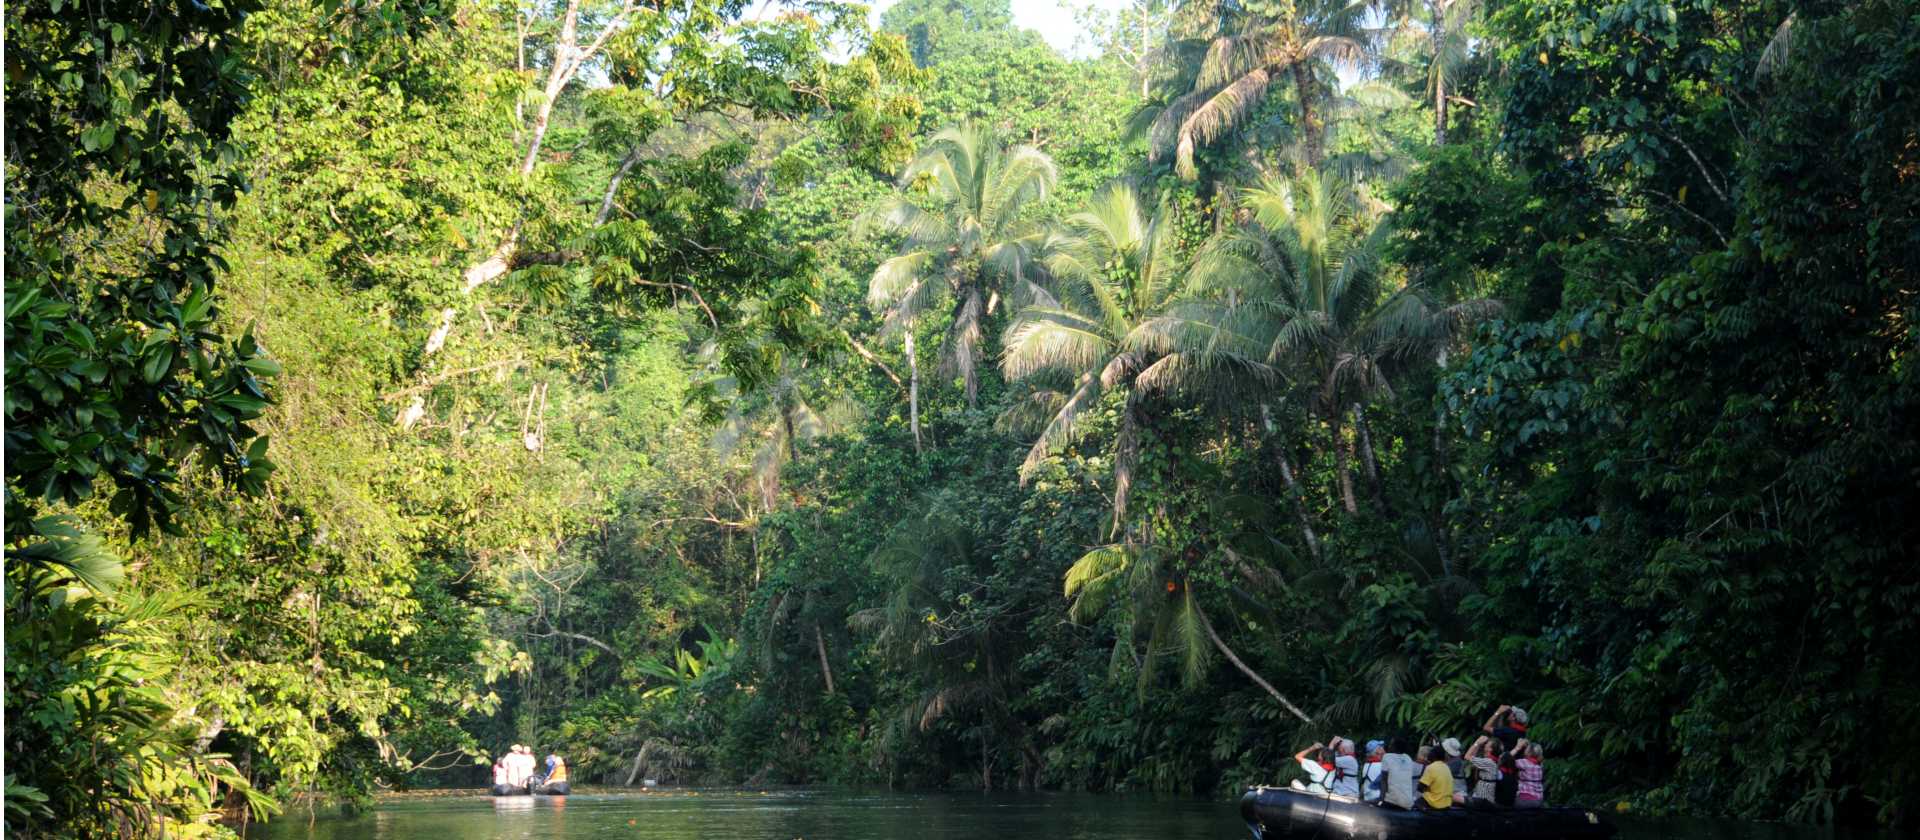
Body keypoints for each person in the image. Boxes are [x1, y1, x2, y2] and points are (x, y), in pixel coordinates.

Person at [1464, 735, 1504, 806]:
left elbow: (1467, 756)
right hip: (1484, 797)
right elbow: (1473, 757)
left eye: (1487, 744)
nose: (1485, 745)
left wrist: (1477, 742)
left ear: (1490, 749)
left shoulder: (1488, 762)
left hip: (1482, 798)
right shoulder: (1493, 760)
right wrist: (1478, 745)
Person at [1379, 738, 1418, 810]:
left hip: (1392, 801)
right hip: (1408, 802)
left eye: (1391, 744)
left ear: (1394, 747)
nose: (1389, 746)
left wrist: (1381, 800)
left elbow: (1384, 780)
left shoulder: (1387, 757)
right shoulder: (1408, 758)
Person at [1416, 744, 1453, 810]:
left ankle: (1426, 811)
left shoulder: (1431, 767)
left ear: (1433, 755)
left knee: (1417, 802)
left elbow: (1420, 788)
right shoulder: (1447, 767)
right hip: (1447, 803)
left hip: (1435, 803)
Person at [1514, 742, 1545, 808]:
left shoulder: (1524, 762)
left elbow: (1508, 760)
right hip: (1539, 800)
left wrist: (1517, 748)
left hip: (1525, 800)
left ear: (1528, 752)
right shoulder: (1540, 765)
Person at [1441, 737, 1468, 804]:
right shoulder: (1451, 760)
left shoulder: (1456, 761)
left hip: (1458, 794)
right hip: (1453, 795)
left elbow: (1442, 771)